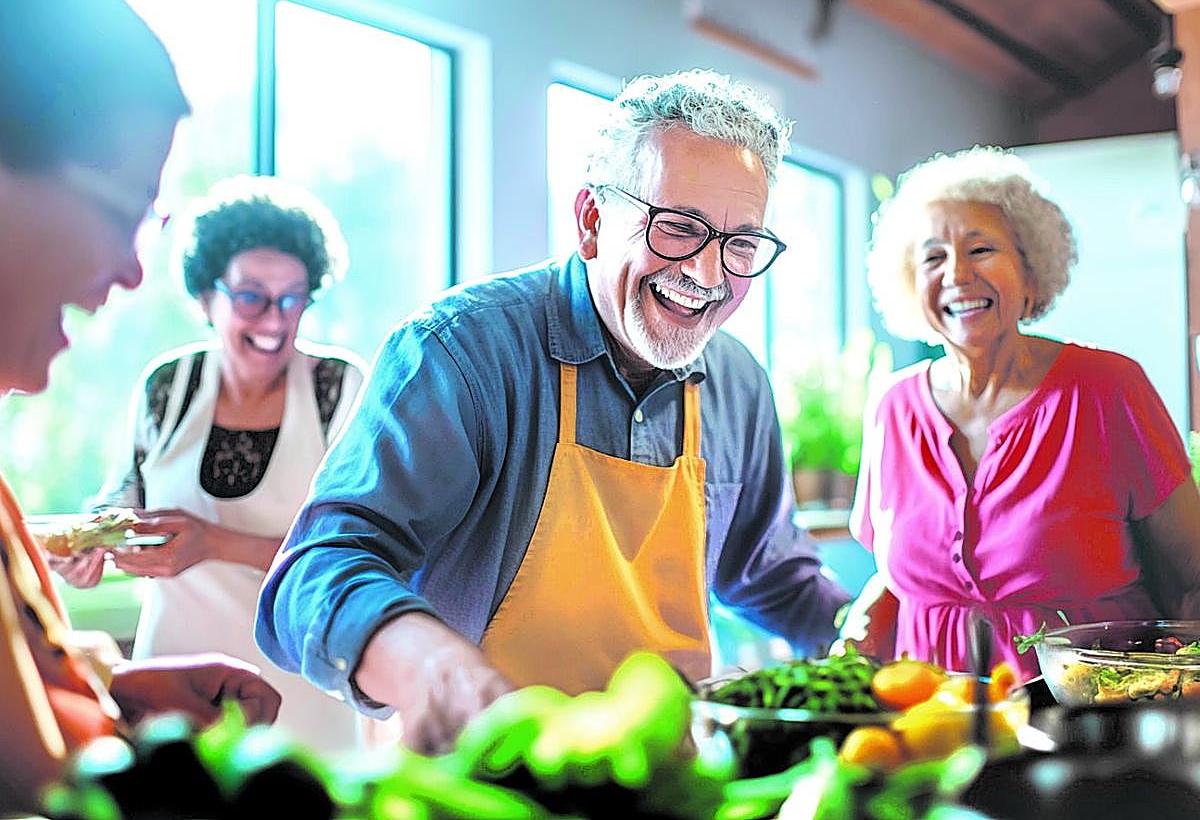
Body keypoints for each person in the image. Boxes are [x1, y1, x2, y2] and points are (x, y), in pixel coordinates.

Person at [256, 68, 851, 753]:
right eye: (679, 228)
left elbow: (770, 574)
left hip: (660, 779)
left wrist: (888, 640)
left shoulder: (739, 384)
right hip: (475, 779)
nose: (709, 275)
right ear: (593, 221)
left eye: (740, 244)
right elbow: (316, 570)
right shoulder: (462, 351)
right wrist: (438, 670)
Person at [0, 0, 279, 811]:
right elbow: (37, 777)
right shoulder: (167, 389)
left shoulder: (340, 390)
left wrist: (119, 691)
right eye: (125, 210)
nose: (129, 270)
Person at [843, 146, 1200, 679]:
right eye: (933, 257)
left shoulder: (1107, 388)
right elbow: (902, 573)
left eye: (980, 249)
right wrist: (862, 624)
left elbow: (1191, 576)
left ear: (1031, 271)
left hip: (1090, 720)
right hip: (933, 724)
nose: (957, 274)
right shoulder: (892, 407)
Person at [58, 177, 366, 756]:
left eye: (293, 296)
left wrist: (213, 542)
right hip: (169, 685)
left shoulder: (339, 389)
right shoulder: (168, 386)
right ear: (206, 297)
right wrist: (92, 542)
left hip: (301, 689)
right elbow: (122, 496)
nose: (274, 319)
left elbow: (350, 552)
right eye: (251, 296)